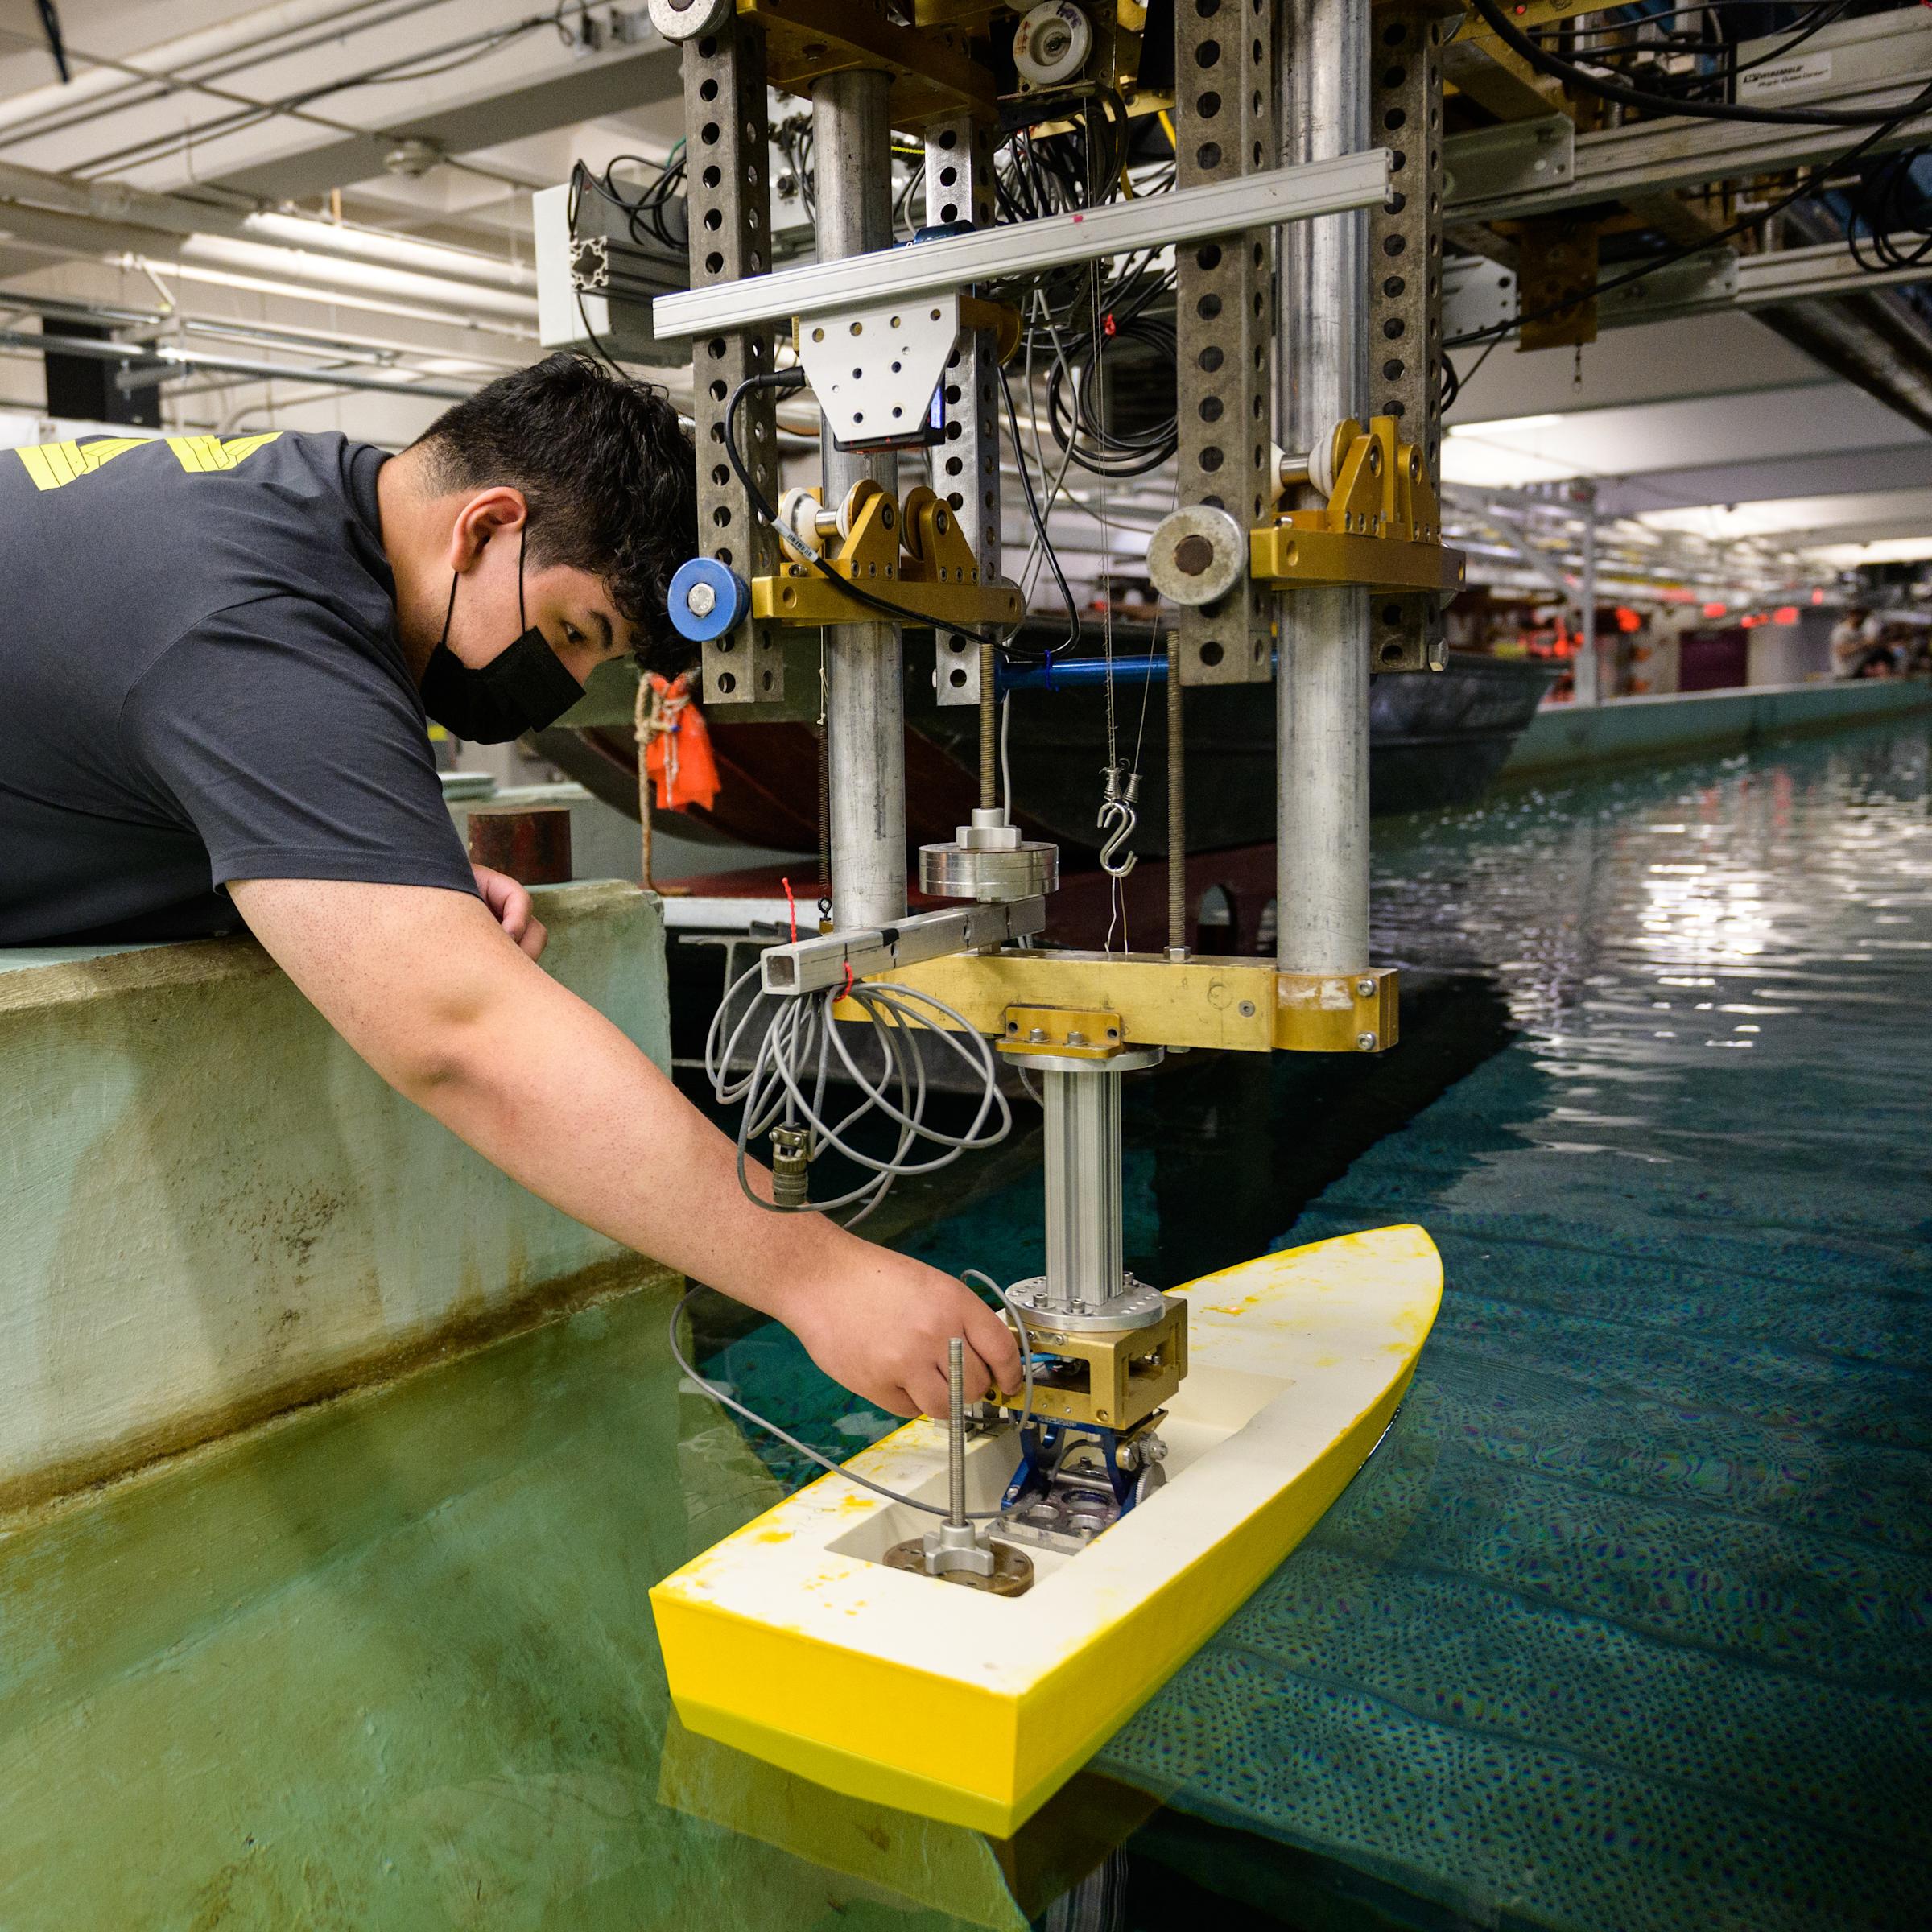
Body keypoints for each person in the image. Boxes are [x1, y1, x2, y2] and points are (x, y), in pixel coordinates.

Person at [0, 352, 1018, 1420]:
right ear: (486, 526)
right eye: (576, 633)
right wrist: (824, 1278)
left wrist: (381, 872)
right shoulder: (251, 616)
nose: (564, 689)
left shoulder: (307, 507)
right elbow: (457, 1032)